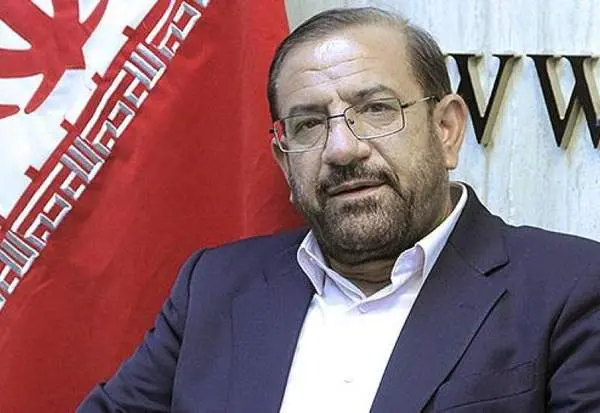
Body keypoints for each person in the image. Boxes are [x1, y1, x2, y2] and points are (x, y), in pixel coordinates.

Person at [78, 7, 600, 412]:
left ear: (446, 129)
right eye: (308, 123)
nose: (342, 149)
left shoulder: (570, 288)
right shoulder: (213, 287)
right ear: (284, 160)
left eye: (376, 110)